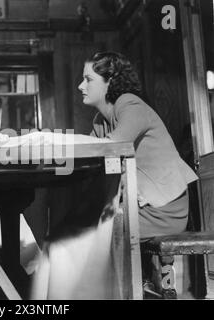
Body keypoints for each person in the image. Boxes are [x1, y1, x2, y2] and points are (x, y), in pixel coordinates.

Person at [78, 51, 198, 296]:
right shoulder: (100, 120)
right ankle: (127, 288)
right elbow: (86, 155)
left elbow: (114, 145)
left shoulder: (130, 104)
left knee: (94, 230)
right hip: (139, 207)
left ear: (109, 81)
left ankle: (129, 290)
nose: (81, 86)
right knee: (83, 225)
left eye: (88, 79)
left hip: (164, 209)